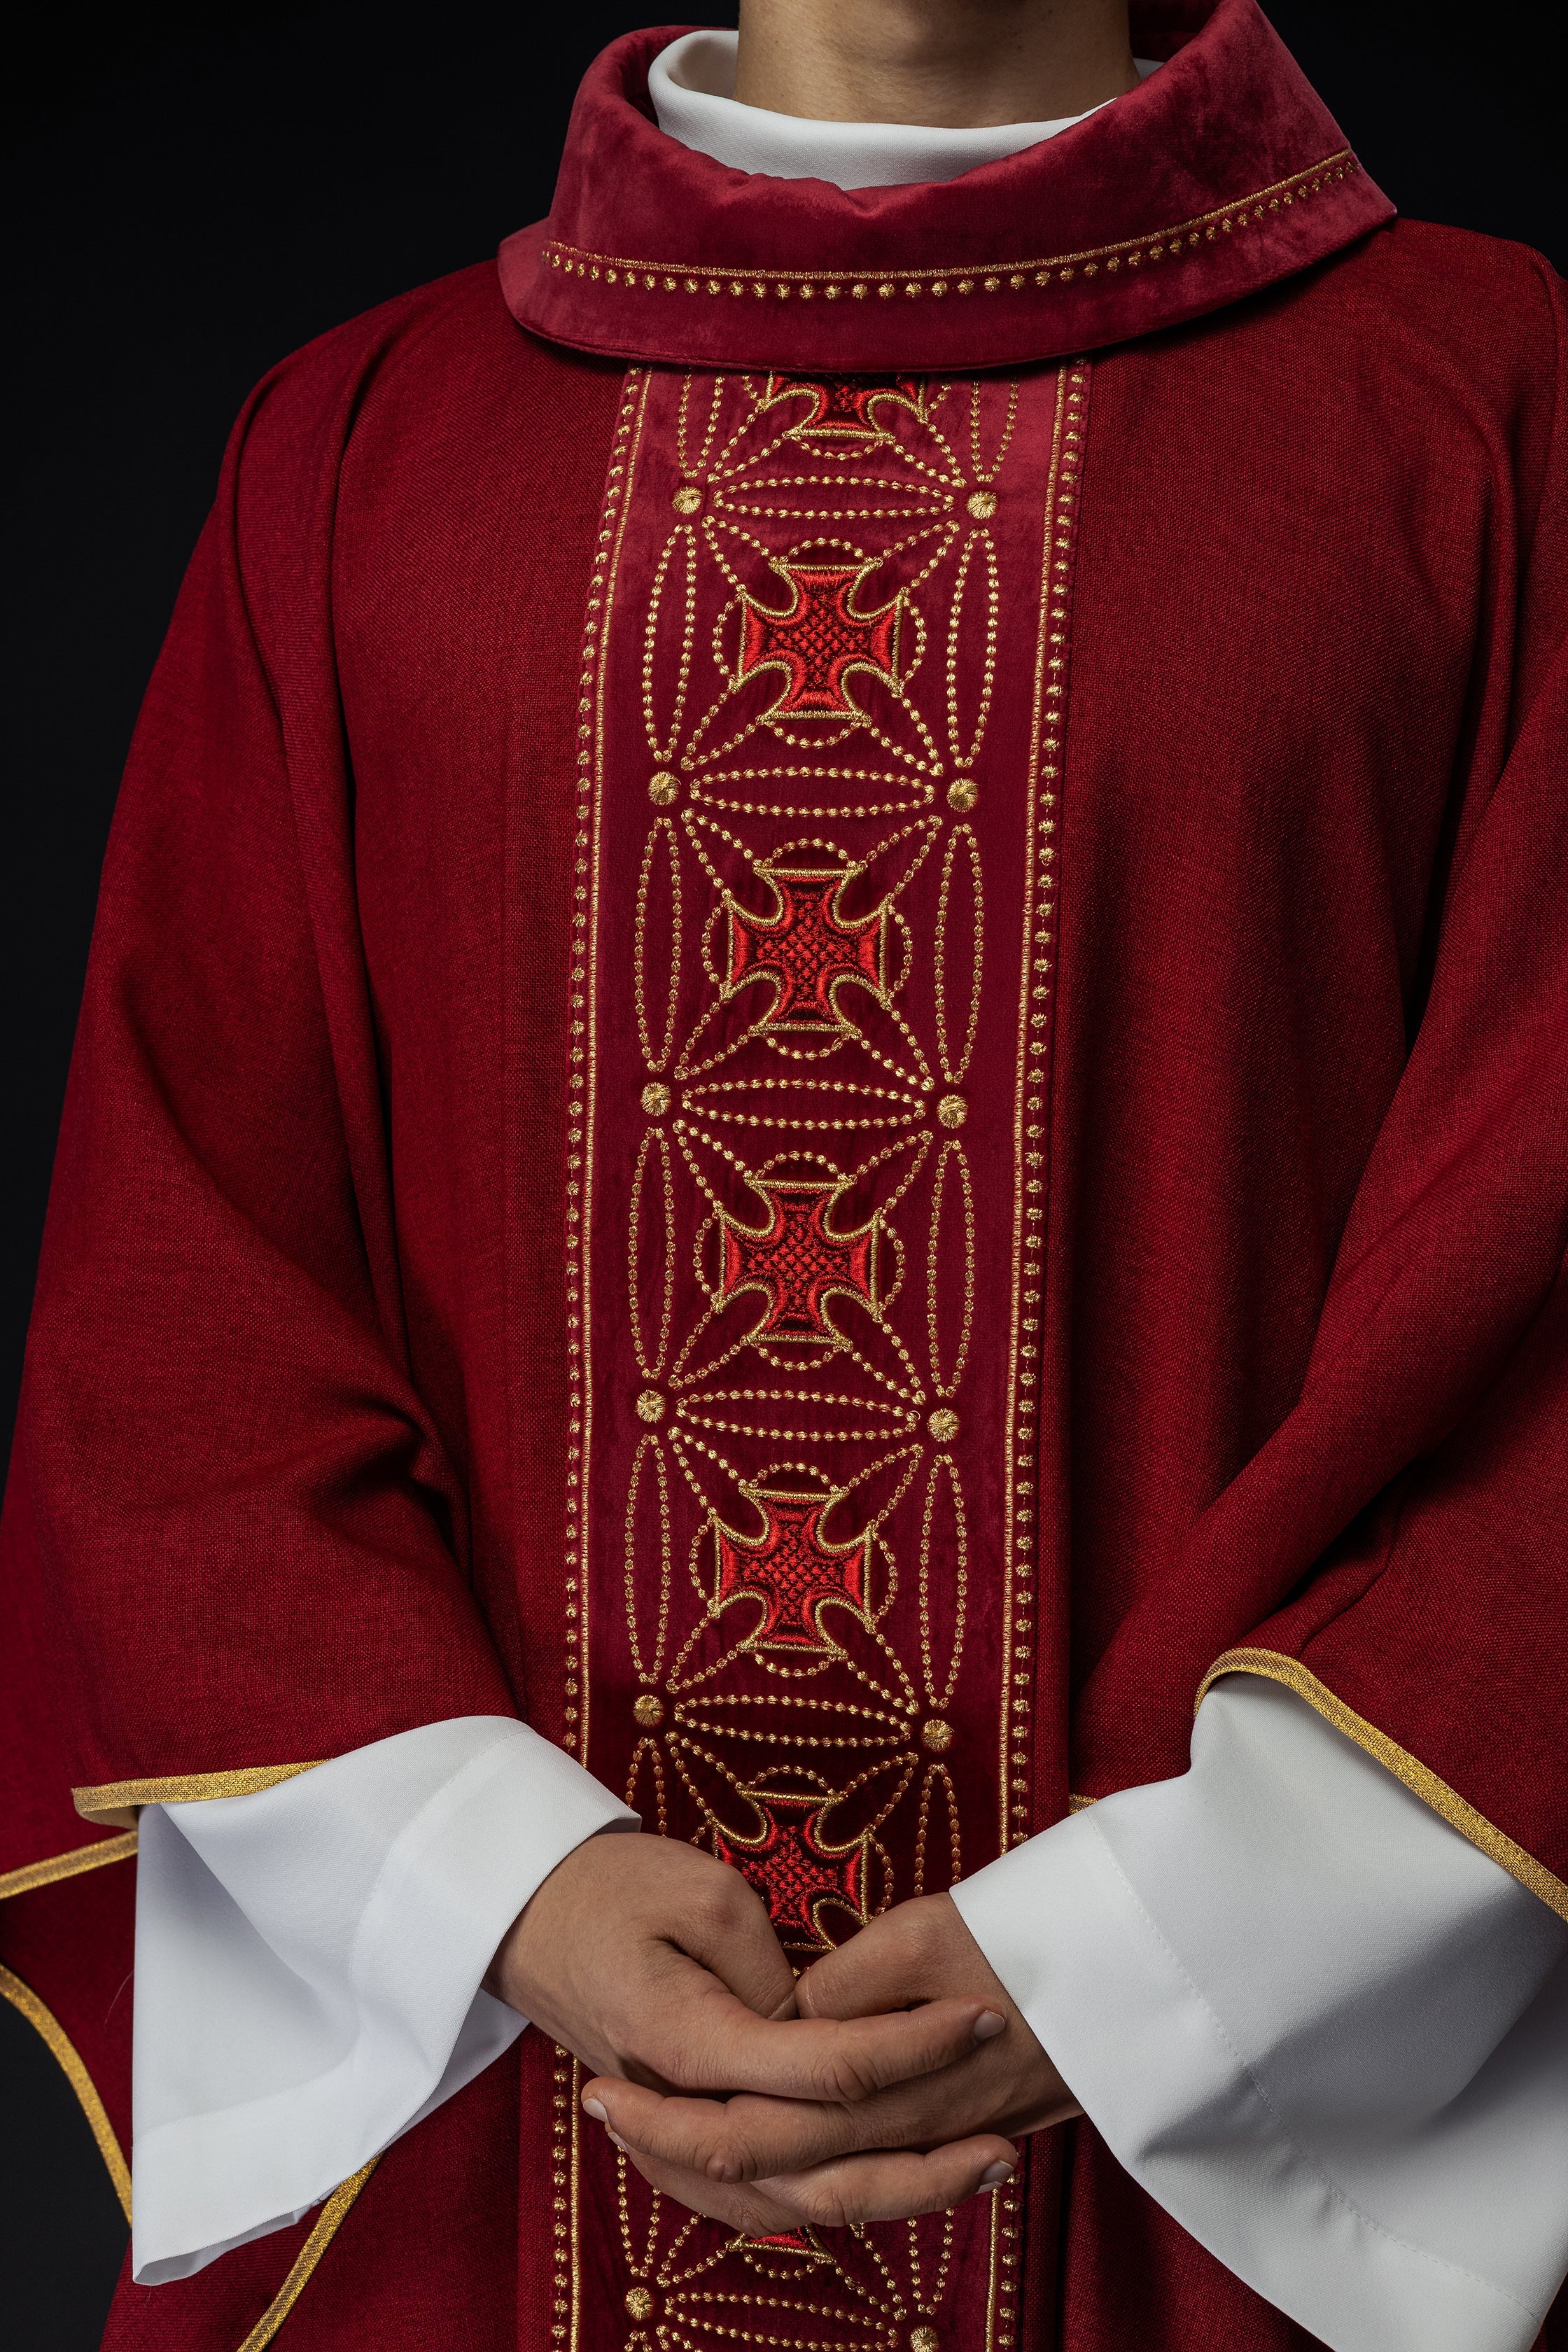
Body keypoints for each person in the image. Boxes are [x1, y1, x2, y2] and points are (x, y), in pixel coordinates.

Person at [2, 1, 1565, 2346]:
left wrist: (1164, 1955)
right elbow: (182, 1298)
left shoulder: (1497, 403)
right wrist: (491, 1883)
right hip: (501, 2135)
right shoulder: (354, 449)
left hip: (1236, 2136)